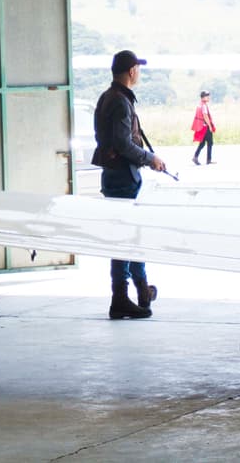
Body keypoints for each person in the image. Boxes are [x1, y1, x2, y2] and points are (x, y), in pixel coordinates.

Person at [92, 49, 165, 320]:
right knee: (124, 240)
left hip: (114, 176)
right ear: (132, 71)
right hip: (124, 177)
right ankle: (121, 298)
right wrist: (150, 158)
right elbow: (123, 143)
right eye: (138, 69)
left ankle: (141, 291)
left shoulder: (106, 98)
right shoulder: (121, 102)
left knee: (129, 237)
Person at [191, 90, 216, 165]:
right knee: (210, 143)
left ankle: (195, 157)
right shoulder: (204, 105)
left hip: (201, 127)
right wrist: (210, 126)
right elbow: (205, 116)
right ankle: (208, 160)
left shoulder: (200, 105)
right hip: (205, 127)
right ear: (203, 97)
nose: (208, 98)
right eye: (207, 96)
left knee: (202, 143)